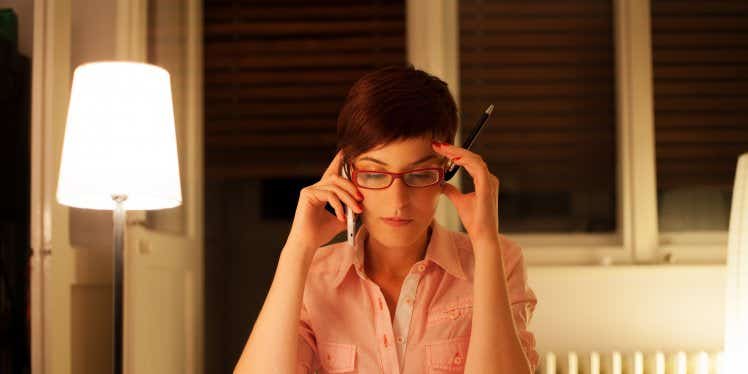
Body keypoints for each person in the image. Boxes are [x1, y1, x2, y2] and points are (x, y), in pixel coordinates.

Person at [234, 65, 538, 374]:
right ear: (347, 173)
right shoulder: (316, 275)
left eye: (419, 174)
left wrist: (485, 241)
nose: (398, 202)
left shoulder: (499, 262)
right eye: (374, 174)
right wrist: (297, 250)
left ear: (448, 169)